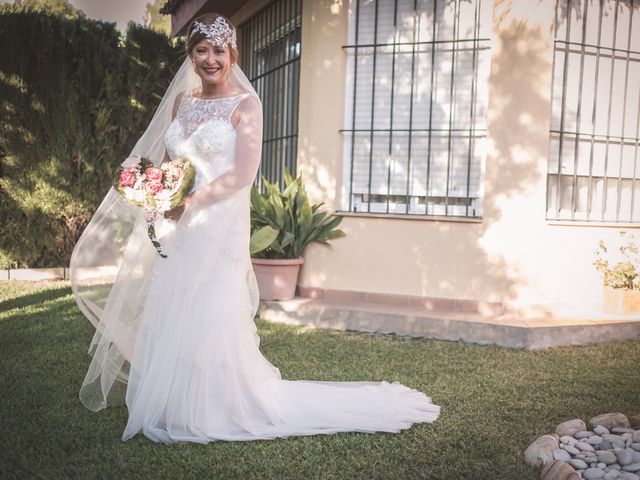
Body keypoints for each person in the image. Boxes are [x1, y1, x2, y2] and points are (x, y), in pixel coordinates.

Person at [70, 13, 440, 444]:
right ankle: (174, 401)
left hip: (218, 223)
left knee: (209, 303)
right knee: (173, 299)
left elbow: (242, 174)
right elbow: (174, 164)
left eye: (219, 51)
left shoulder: (247, 105)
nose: (211, 59)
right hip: (179, 223)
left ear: (232, 55)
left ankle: (214, 406)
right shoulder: (181, 103)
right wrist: (157, 192)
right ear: (191, 55)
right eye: (202, 50)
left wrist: (187, 202)